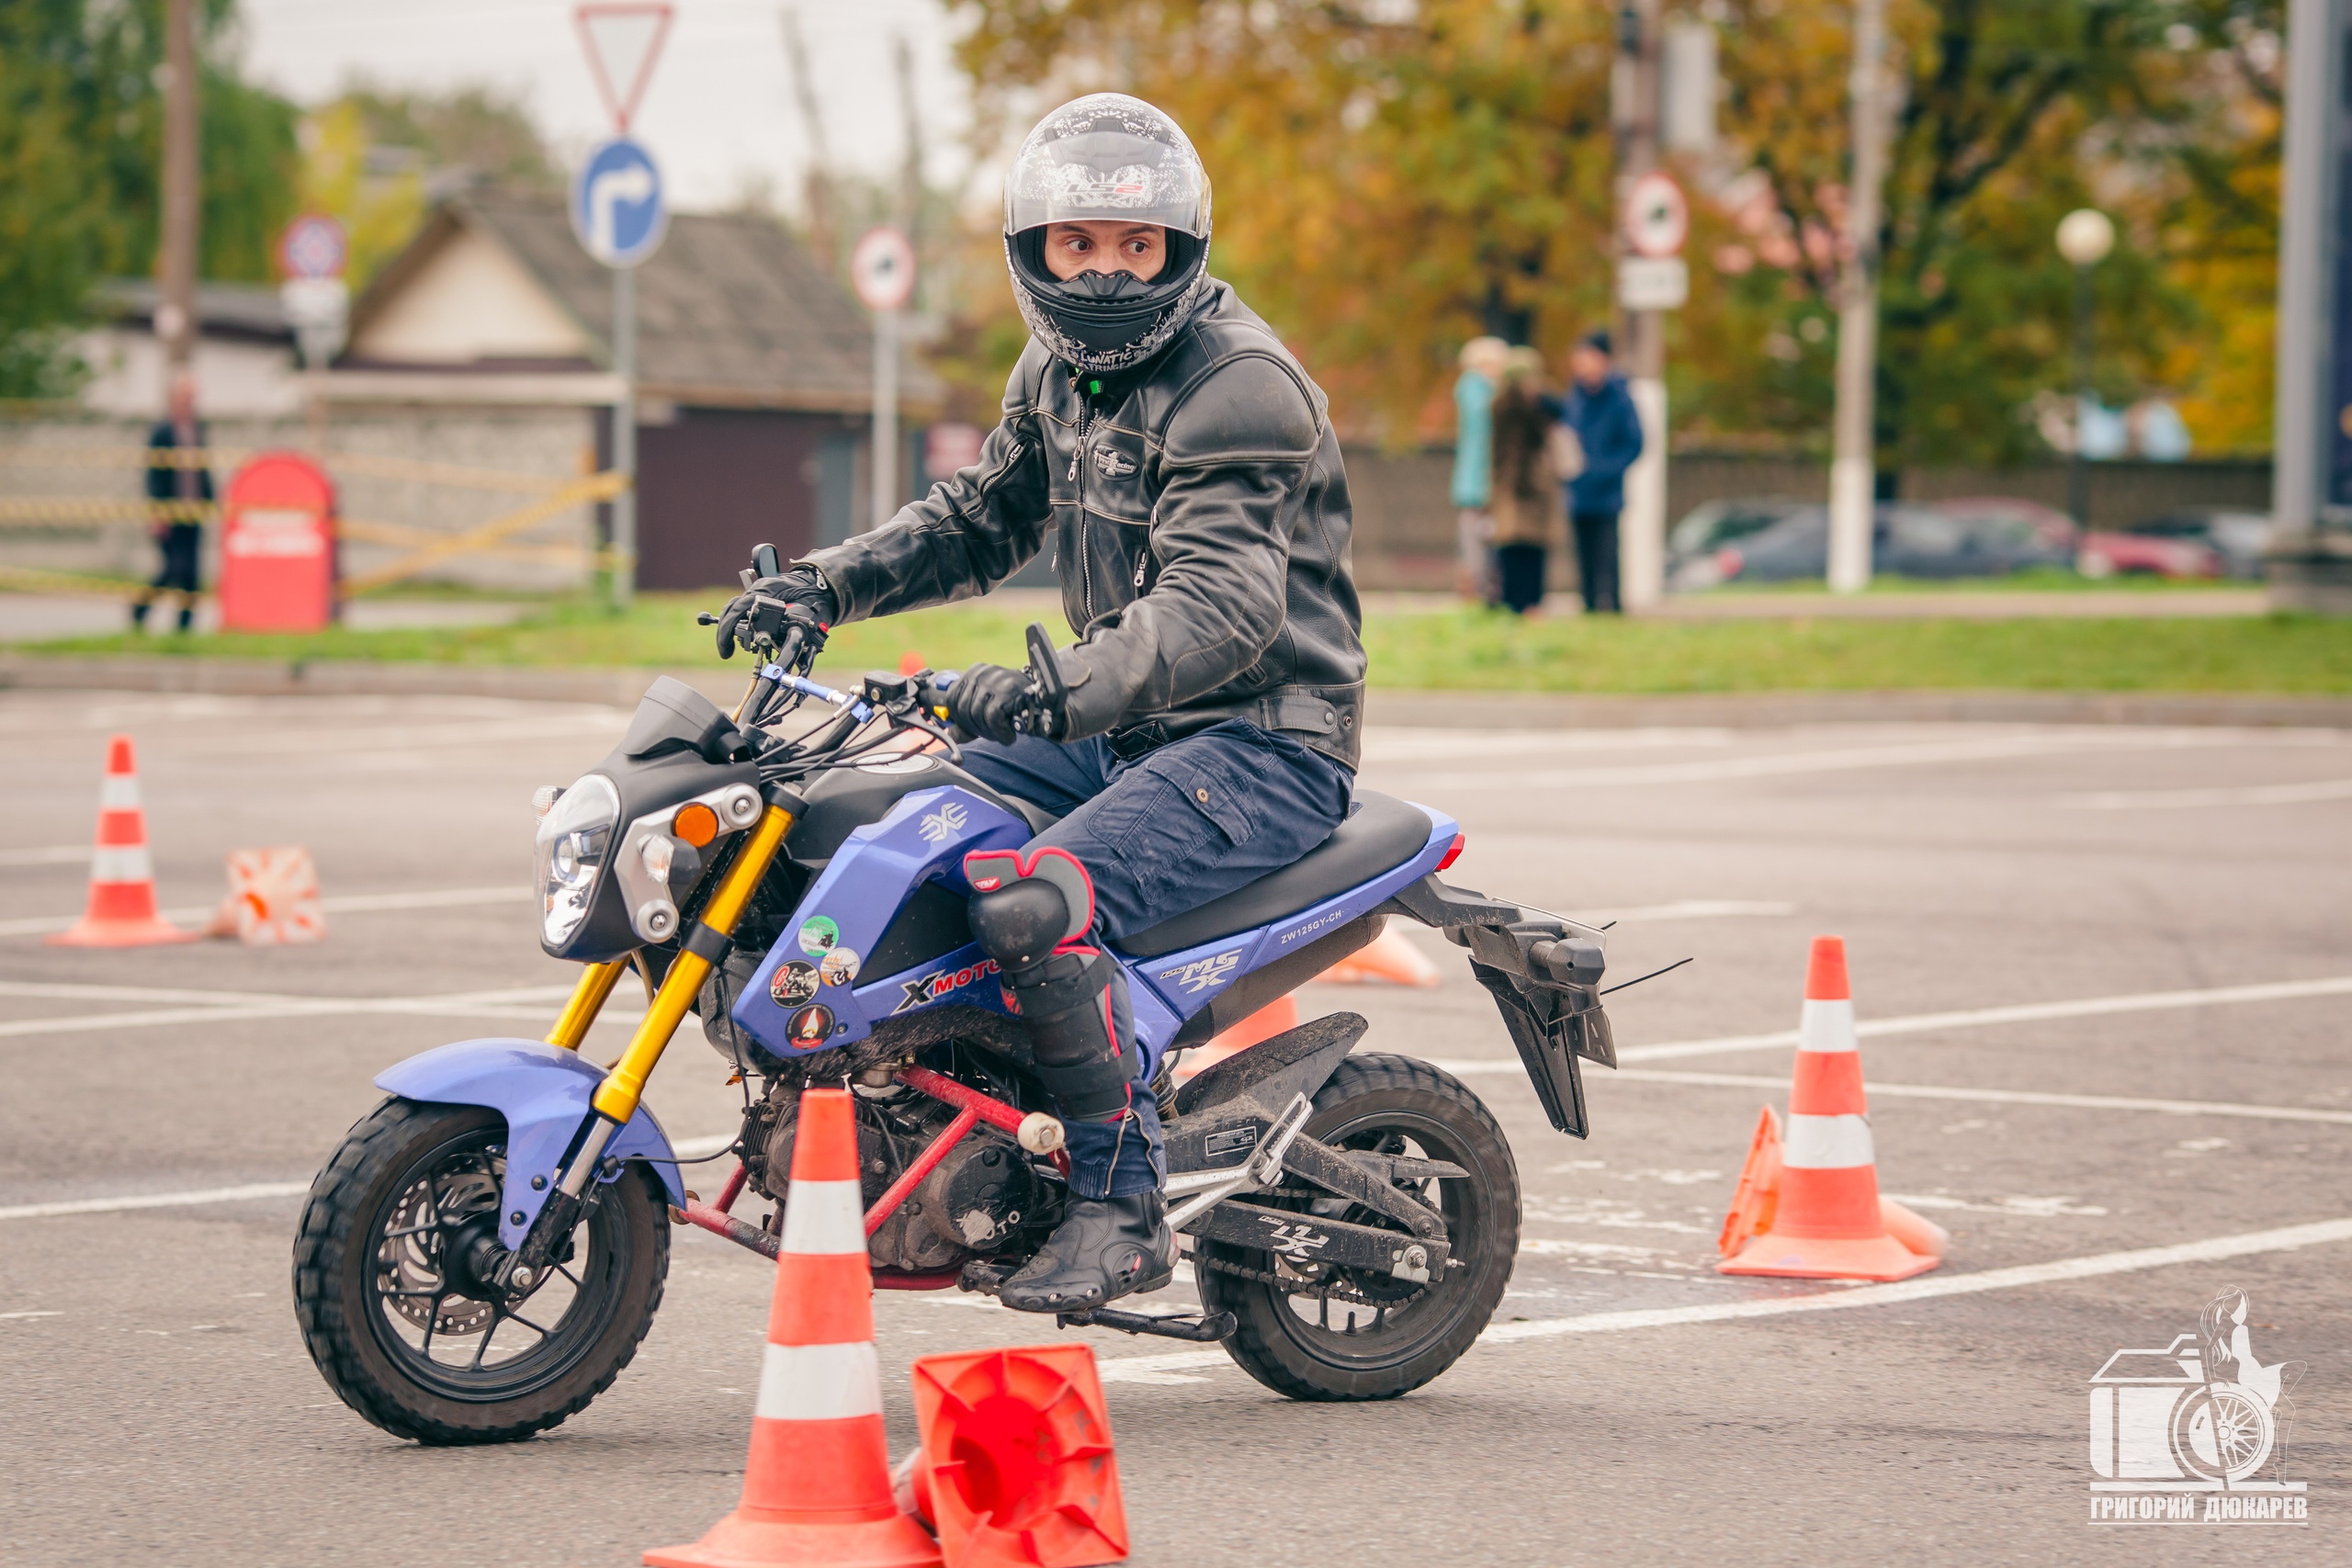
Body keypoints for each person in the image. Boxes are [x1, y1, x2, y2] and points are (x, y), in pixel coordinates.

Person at [713, 94, 1363, 1315]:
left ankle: (1118, 1207)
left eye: (1135, 246)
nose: (1108, 274)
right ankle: (964, 1113)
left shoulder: (1241, 388)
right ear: (1037, 252)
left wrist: (1039, 690)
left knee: (1033, 898)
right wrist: (822, 585)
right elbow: (975, 522)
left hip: (1261, 739)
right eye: (1081, 244)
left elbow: (1217, 613)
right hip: (1129, 727)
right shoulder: (1055, 373)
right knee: (895, 824)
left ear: (1179, 251)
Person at [1559, 330, 1644, 615]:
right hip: (1578, 487)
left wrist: (1605, 470)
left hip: (1607, 490)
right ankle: (1589, 604)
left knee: (1607, 550)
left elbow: (1635, 443)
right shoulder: (1574, 396)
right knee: (1582, 552)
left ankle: (1613, 604)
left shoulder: (1619, 397)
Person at [134, 371, 211, 633]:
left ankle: (184, 627)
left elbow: (203, 471)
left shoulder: (198, 428)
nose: (190, 401)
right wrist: (157, 513)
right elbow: (154, 476)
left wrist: (210, 501)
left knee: (191, 574)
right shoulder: (162, 431)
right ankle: (140, 607)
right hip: (169, 512)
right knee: (173, 568)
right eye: (186, 396)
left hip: (193, 512)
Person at [1488, 346, 1557, 615]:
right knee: (1512, 547)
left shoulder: (1544, 403)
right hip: (1512, 484)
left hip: (1533, 484)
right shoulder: (1506, 405)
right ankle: (1515, 603)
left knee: (1532, 547)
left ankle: (1531, 604)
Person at [1450, 336, 1509, 604]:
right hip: (1479, 480)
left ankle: (1485, 589)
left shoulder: (1480, 391)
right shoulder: (1477, 390)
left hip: (1480, 479)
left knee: (1481, 539)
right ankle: (1477, 590)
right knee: (1476, 541)